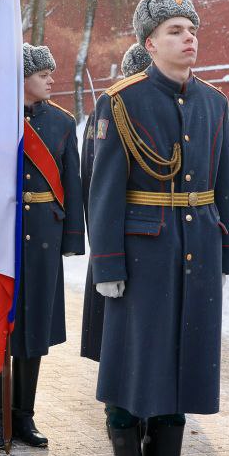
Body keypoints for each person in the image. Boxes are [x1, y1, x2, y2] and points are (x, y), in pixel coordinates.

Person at [88, 0, 229, 456]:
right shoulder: (120, 103)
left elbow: (223, 183)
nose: (188, 38)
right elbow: (103, 191)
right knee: (131, 379)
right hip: (142, 258)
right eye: (175, 30)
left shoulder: (214, 103)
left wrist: (225, 253)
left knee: (180, 377)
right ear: (149, 43)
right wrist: (107, 261)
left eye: (192, 29)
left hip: (195, 250)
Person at [0, 45, 84, 449]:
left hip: (44, 235)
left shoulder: (63, 122)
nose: (51, 78)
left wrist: (72, 238)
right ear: (20, 78)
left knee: (33, 331)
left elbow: (72, 182)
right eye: (42, 72)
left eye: (52, 71)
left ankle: (24, 417)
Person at [80, 42, 152, 363]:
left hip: (111, 230)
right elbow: (96, 176)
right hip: (120, 229)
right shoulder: (113, 107)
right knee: (120, 334)